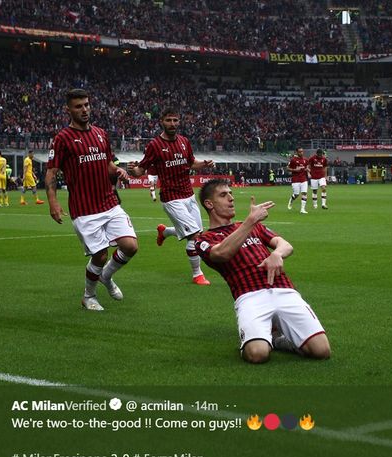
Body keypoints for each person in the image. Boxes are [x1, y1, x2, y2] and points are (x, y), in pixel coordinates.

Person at [195, 179, 330, 364]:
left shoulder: (254, 227)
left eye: (231, 194)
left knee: (321, 350)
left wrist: (277, 254)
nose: (231, 198)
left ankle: (277, 339)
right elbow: (221, 254)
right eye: (223, 195)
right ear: (209, 204)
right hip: (249, 296)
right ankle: (261, 338)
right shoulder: (204, 239)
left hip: (284, 290)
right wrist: (250, 221)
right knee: (257, 354)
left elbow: (286, 245)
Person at [45, 88, 139, 312]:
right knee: (100, 255)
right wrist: (53, 202)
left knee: (130, 246)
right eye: (78, 106)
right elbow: (51, 172)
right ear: (68, 110)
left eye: (86, 104)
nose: (84, 110)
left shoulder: (100, 133)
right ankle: (89, 296)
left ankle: (106, 277)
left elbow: (107, 163)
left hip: (109, 202)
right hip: (84, 208)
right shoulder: (62, 139)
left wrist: (118, 171)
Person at [128, 107, 214, 286]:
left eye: (175, 120)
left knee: (196, 232)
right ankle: (197, 274)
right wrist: (132, 170)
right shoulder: (154, 145)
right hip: (171, 197)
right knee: (195, 236)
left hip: (188, 195)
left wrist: (204, 164)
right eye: (169, 120)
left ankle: (165, 231)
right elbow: (140, 170)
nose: (172, 124)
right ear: (162, 121)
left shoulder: (184, 141)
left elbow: (192, 163)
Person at [287, 147, 308, 214]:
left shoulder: (305, 160)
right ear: (297, 152)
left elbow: (306, 168)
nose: (301, 153)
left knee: (304, 193)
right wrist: (295, 170)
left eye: (302, 151)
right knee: (296, 194)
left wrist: (308, 170)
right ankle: (291, 201)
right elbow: (287, 168)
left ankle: (302, 209)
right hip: (295, 179)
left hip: (304, 179)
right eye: (300, 152)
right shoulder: (293, 160)